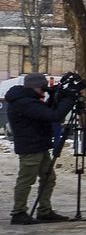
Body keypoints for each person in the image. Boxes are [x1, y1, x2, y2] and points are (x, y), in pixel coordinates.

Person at [7, 73, 74, 224]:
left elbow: (46, 113)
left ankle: (44, 210)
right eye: (43, 88)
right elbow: (53, 116)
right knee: (26, 179)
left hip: (38, 145)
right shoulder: (24, 102)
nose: (44, 91)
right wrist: (69, 99)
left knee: (48, 178)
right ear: (36, 86)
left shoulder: (29, 100)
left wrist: (57, 97)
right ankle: (18, 213)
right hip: (30, 147)